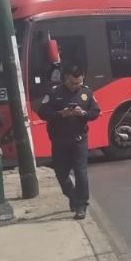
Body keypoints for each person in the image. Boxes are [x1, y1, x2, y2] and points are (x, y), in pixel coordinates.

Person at [35, 66, 101, 219]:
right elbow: (42, 112)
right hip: (59, 139)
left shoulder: (87, 93)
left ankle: (82, 205)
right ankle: (72, 196)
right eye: (72, 83)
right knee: (61, 173)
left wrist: (83, 113)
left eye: (78, 83)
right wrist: (60, 114)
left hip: (79, 139)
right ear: (65, 78)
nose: (75, 86)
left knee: (81, 172)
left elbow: (95, 112)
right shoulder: (54, 93)